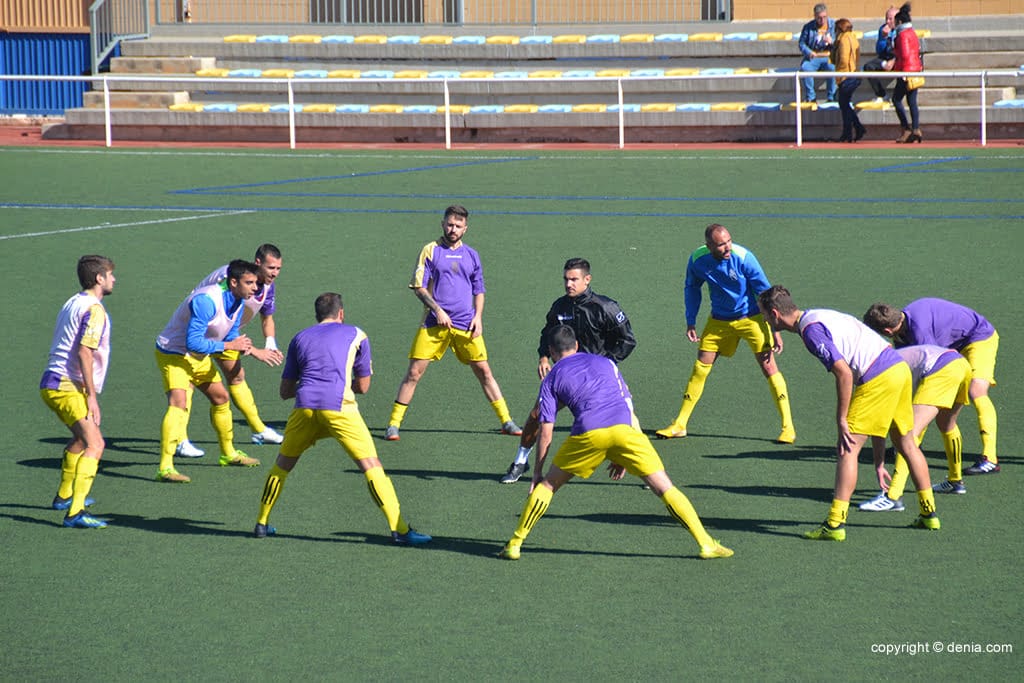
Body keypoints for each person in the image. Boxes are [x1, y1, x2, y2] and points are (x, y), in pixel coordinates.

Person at [497, 325, 732, 561]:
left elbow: (546, 430)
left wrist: (537, 473)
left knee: (548, 486)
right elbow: (628, 406)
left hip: (588, 433)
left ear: (550, 351)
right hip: (626, 430)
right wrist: (623, 454)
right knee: (665, 487)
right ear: (576, 345)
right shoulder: (606, 363)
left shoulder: (551, 379)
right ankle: (705, 543)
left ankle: (515, 544)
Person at [758, 286, 940, 541]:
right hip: (898, 368)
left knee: (847, 448)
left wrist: (842, 418)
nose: (765, 321)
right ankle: (929, 514)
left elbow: (843, 373)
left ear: (775, 314)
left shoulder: (811, 331)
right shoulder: (818, 314)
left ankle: (834, 524)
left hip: (879, 375)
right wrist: (878, 460)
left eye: (764, 315)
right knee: (907, 443)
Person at [253, 293, 431, 544]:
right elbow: (364, 386)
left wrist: (310, 387)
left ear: (317, 315)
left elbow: (285, 392)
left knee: (282, 466)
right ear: (341, 314)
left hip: (304, 406)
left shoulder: (299, 338)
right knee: (371, 466)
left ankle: (261, 523)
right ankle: (400, 530)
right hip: (339, 407)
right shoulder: (357, 334)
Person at [384, 205, 521, 441]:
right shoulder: (431, 250)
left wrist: (478, 317)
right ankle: (393, 425)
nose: (453, 229)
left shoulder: (472, 255)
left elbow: (479, 289)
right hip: (433, 323)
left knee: (484, 371)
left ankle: (506, 421)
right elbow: (418, 287)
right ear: (442, 224)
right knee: (414, 372)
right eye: (449, 224)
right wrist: (437, 310)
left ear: (465, 228)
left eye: (458, 226)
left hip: (466, 324)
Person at [500, 258, 636, 484]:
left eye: (574, 279)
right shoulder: (560, 307)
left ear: (587, 279)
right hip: (568, 378)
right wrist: (543, 356)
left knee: (629, 422)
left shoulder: (605, 307)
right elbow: (548, 333)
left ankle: (647, 471)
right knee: (536, 415)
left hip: (599, 381)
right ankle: (520, 462)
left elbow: (627, 340)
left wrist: (605, 364)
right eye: (566, 279)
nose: (568, 284)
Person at [656, 224, 795, 444]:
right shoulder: (698, 260)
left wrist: (774, 328)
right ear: (709, 245)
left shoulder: (744, 258)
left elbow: (766, 293)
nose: (728, 247)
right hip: (719, 321)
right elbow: (692, 288)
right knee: (700, 367)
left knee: (769, 367)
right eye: (721, 244)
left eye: (729, 241)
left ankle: (788, 428)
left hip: (752, 319)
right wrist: (691, 320)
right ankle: (680, 424)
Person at [154, 259, 268, 483]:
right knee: (178, 402)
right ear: (233, 282)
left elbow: (230, 334)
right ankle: (165, 468)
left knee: (221, 398)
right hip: (174, 354)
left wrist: (249, 349)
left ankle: (228, 454)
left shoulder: (239, 301)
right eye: (250, 283)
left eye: (256, 283)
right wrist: (229, 345)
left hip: (198, 357)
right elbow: (193, 343)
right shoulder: (206, 301)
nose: (255, 288)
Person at [863, 297, 999, 475]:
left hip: (978, 338)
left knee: (976, 390)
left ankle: (990, 459)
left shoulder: (920, 331)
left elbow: (933, 372)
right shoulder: (904, 327)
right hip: (952, 347)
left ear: (887, 331)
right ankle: (910, 444)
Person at [175, 244, 286, 459]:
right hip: (199, 335)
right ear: (258, 263)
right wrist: (254, 351)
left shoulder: (265, 286)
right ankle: (180, 440)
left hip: (226, 334)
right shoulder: (231, 279)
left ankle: (259, 430)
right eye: (271, 268)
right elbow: (208, 308)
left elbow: (266, 317)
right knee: (187, 385)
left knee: (236, 376)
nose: (275, 273)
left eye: (278, 269)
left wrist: (270, 344)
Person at [39, 255, 116, 528]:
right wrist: (91, 397)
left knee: (81, 440)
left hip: (52, 382)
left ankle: (63, 497)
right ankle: (75, 512)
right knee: (96, 444)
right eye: (110, 274)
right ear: (99, 278)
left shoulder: (73, 301)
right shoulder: (95, 310)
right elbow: (85, 351)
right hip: (66, 385)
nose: (114, 279)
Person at [860, 344, 972, 512]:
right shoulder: (887, 359)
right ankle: (955, 480)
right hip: (961, 365)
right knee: (947, 423)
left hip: (941, 370)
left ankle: (893, 496)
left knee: (908, 435)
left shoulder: (878, 372)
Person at [890, 3, 923, 143]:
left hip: (906, 71)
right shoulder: (912, 32)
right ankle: (916, 128)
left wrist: (902, 70)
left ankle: (906, 128)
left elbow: (904, 54)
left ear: (899, 22)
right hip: (915, 70)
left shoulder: (902, 35)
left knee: (896, 99)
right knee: (912, 101)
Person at [832, 18, 866, 143]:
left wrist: (840, 77)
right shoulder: (853, 38)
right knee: (845, 104)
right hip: (854, 75)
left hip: (847, 76)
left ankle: (850, 132)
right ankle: (855, 129)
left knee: (844, 104)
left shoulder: (843, 40)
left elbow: (843, 59)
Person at [798, 3, 837, 103]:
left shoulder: (834, 25)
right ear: (815, 16)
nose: (822, 20)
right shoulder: (808, 27)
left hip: (828, 55)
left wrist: (832, 41)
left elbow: (840, 43)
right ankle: (811, 97)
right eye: (819, 18)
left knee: (833, 68)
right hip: (814, 56)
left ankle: (831, 97)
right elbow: (801, 43)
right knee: (805, 68)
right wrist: (809, 52)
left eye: (824, 17)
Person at [863, 6, 898, 101]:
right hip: (885, 58)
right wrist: (883, 38)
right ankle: (881, 94)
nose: (887, 22)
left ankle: (898, 96)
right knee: (868, 67)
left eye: (890, 19)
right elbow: (879, 51)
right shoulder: (882, 29)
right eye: (886, 18)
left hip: (898, 59)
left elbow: (903, 51)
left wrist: (893, 60)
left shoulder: (901, 30)